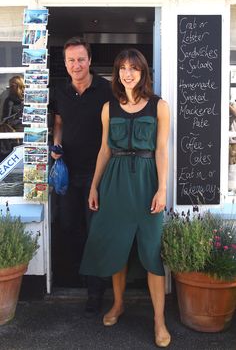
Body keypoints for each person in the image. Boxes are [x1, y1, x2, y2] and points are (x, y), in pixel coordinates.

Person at [80, 48, 171, 347]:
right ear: (117, 73)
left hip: (146, 182)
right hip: (115, 182)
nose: (127, 73)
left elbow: (161, 150)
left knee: (152, 250)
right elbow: (105, 150)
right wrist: (94, 186)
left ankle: (159, 320)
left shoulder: (159, 106)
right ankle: (118, 304)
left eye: (134, 68)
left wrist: (162, 188)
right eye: (122, 68)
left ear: (143, 71)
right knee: (116, 245)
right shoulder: (109, 108)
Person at [50, 36, 113, 318]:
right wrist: (57, 144)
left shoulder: (105, 90)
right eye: (71, 60)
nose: (76, 65)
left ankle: (95, 291)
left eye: (81, 59)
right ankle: (83, 274)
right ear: (65, 63)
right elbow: (60, 122)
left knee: (96, 231)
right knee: (68, 225)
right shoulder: (60, 91)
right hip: (68, 173)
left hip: (97, 173)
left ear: (89, 60)